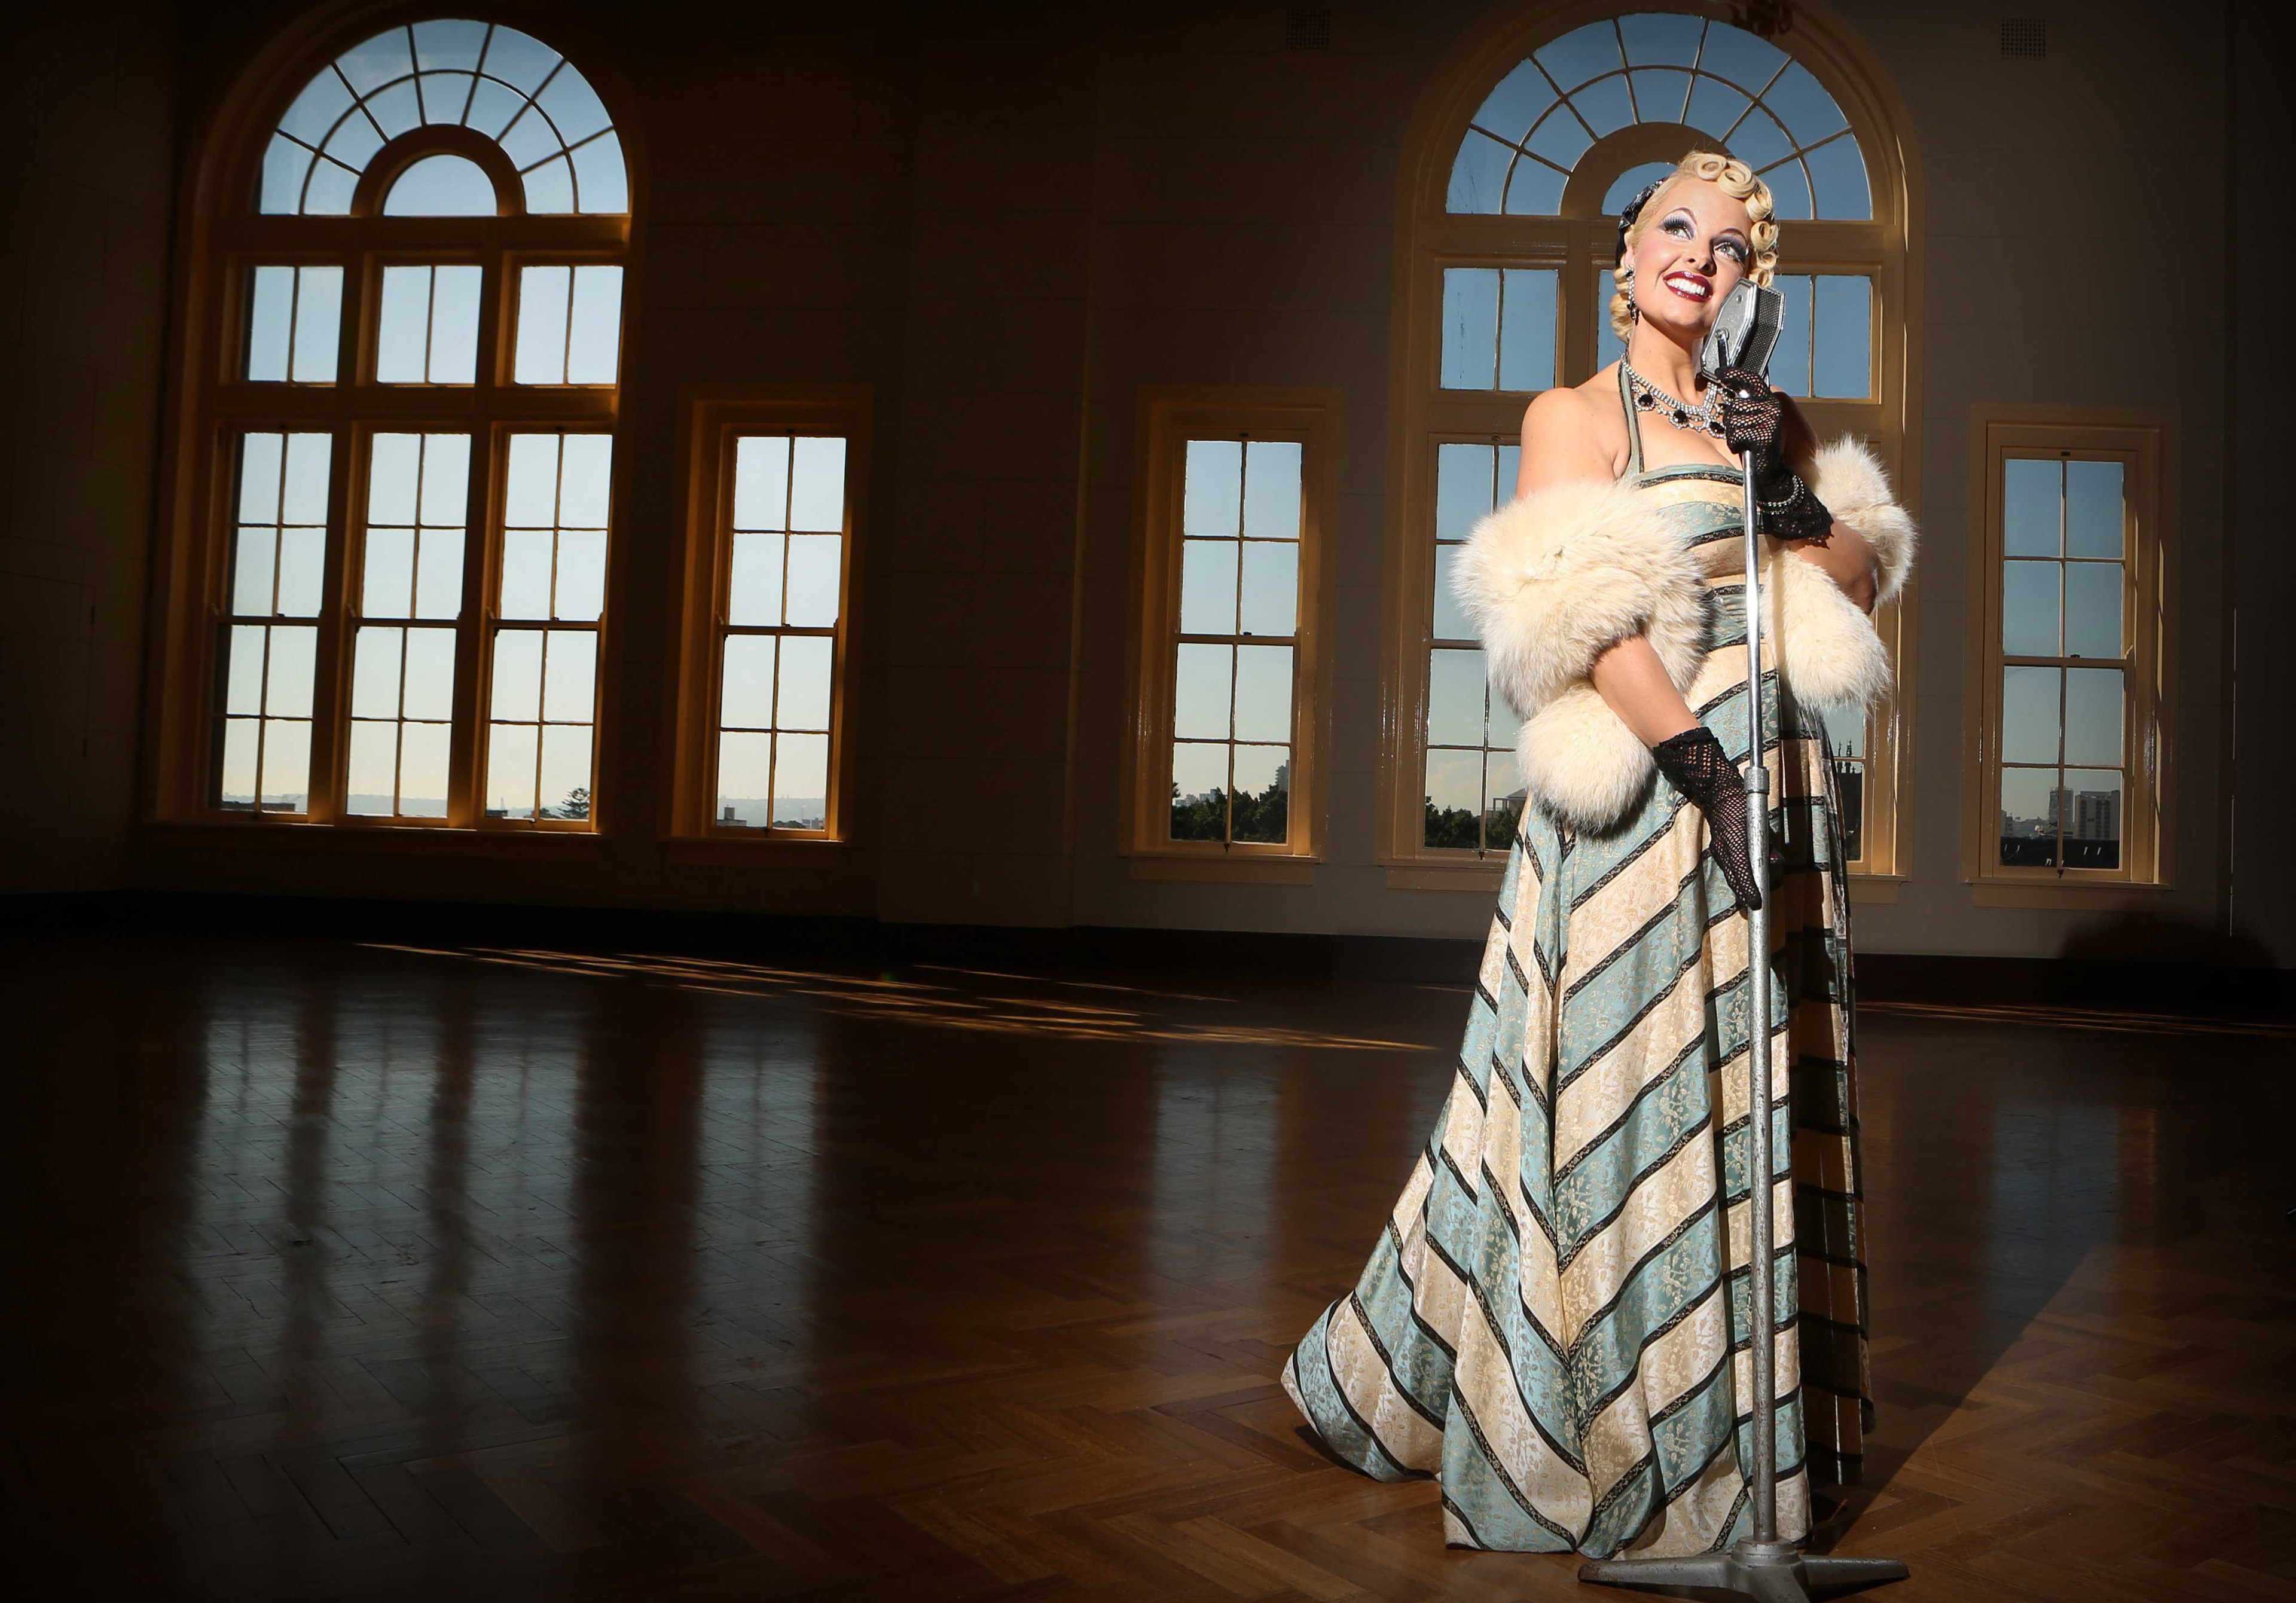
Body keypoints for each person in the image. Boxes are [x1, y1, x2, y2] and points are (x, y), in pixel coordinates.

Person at [1279, 148, 1916, 1558]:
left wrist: (1788, 488)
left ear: (1751, 283)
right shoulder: (1571, 415)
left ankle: (1747, 1444)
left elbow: (1861, 582)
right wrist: (1704, 773)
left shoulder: (1776, 421)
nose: (1700, 253)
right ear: (1623, 256)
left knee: (1751, 1091)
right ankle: (1619, 1437)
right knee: (1624, 1101)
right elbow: (1582, 617)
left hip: (1781, 786)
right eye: (1675, 228)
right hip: (1652, 797)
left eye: (1731, 245)